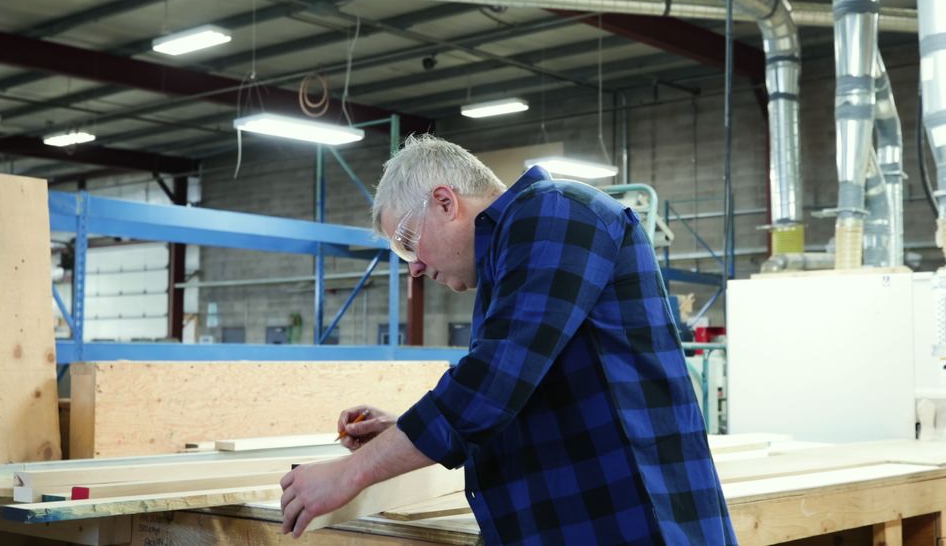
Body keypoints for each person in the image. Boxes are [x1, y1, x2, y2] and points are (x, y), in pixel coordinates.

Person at [280, 134, 736, 545]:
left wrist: (349, 474)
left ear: (444, 202)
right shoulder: (513, 257)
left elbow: (491, 387)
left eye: (407, 241)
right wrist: (398, 432)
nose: (413, 266)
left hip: (632, 524)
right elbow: (517, 400)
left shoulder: (555, 213)